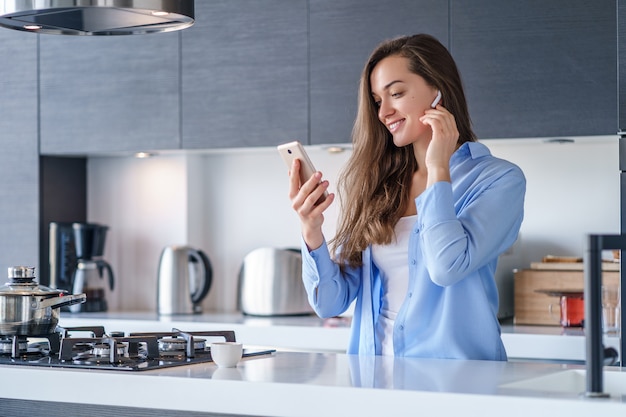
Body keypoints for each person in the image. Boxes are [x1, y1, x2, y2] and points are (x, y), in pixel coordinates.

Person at [287, 34, 525, 361]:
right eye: (376, 101)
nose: (384, 112)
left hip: (458, 387)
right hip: (376, 381)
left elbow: (447, 266)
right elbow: (330, 303)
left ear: (439, 91)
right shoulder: (379, 184)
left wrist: (438, 167)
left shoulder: (498, 179)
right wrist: (311, 231)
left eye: (396, 93)